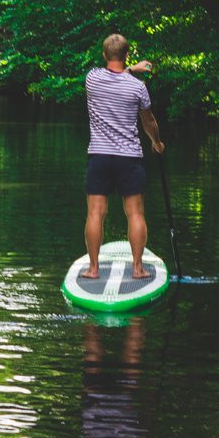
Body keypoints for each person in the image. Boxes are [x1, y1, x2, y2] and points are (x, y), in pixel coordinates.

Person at [83, 33, 165, 280]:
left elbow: (116, 73)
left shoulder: (92, 79)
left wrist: (130, 68)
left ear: (104, 55)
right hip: (129, 157)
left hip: (99, 155)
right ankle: (138, 268)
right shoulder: (138, 87)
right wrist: (156, 142)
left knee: (95, 213)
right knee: (136, 214)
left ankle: (93, 269)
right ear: (127, 55)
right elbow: (148, 121)